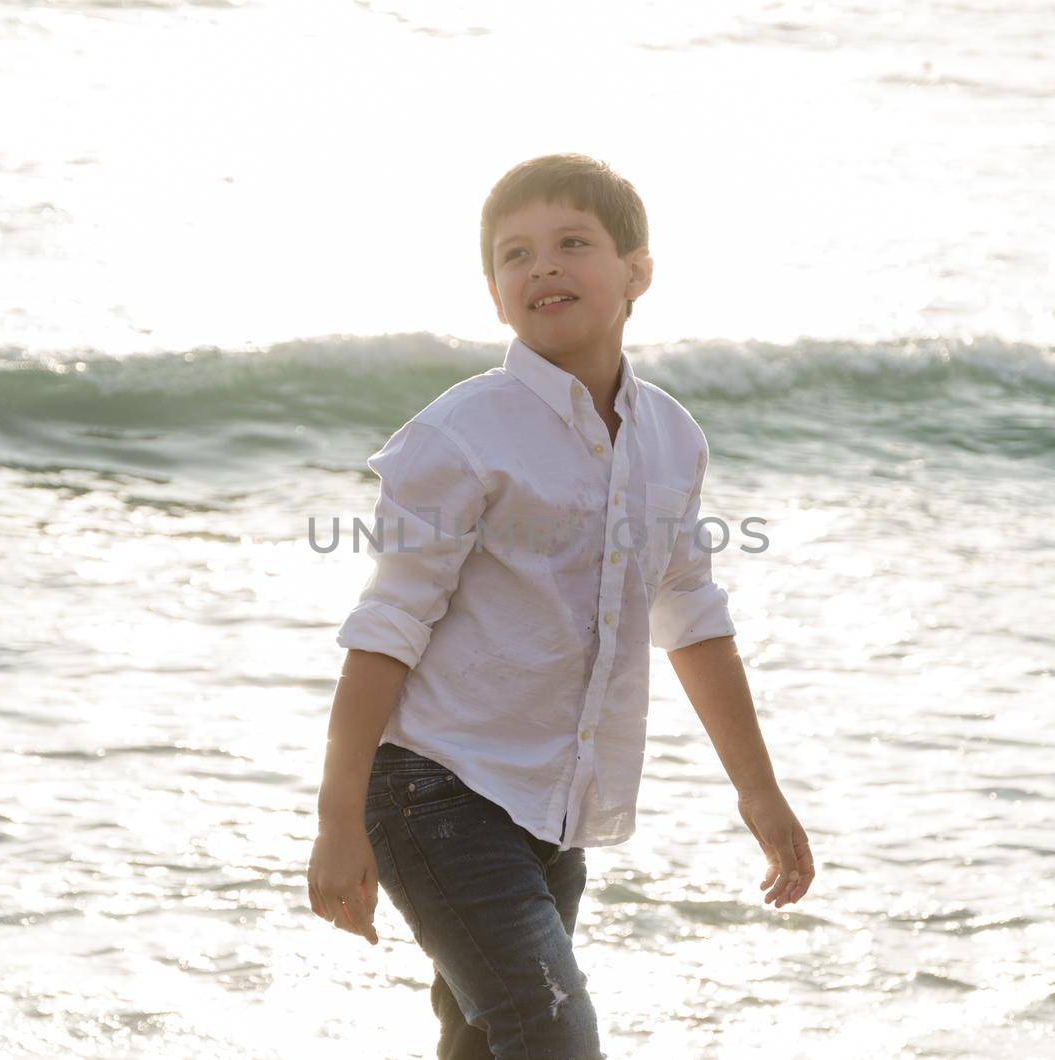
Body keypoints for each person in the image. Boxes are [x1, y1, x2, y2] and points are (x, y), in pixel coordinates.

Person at [305, 153, 814, 1059]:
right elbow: (385, 630)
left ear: (637, 272)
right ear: (495, 295)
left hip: (554, 809)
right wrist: (338, 822)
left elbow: (690, 615)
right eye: (514, 255)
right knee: (551, 1033)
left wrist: (760, 794)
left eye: (572, 243)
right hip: (434, 791)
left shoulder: (671, 439)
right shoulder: (463, 435)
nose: (541, 266)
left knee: (488, 1042)